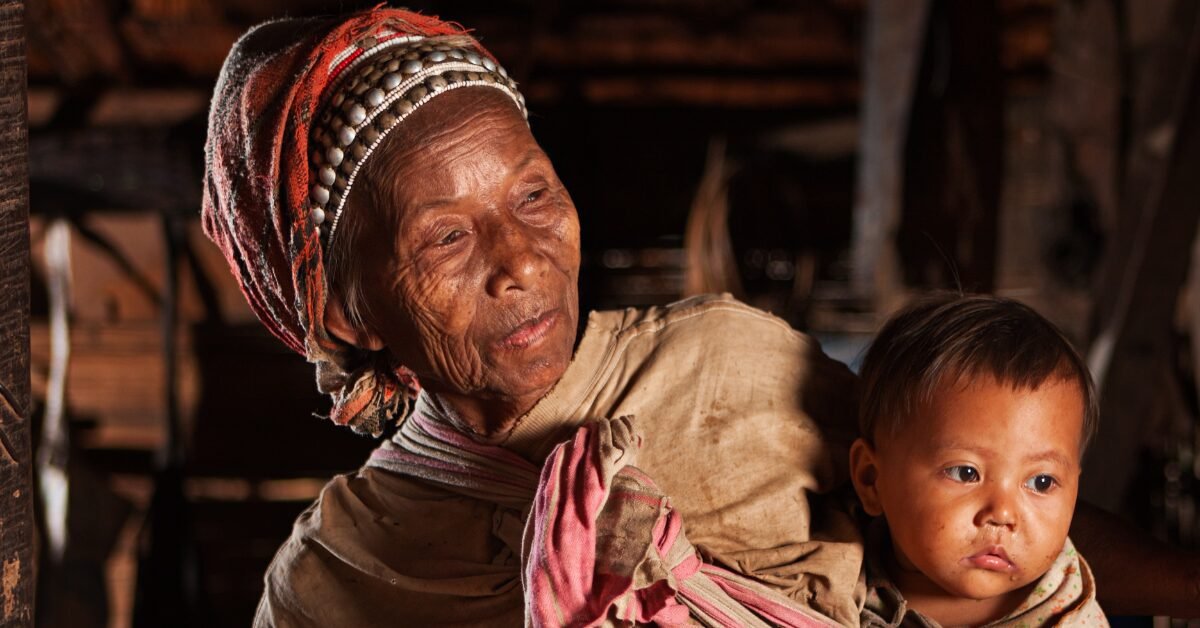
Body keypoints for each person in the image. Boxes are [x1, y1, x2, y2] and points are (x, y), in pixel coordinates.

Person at [201, 7, 1200, 627]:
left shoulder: (733, 369)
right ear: (345, 306)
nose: (523, 262)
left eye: (535, 196)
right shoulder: (339, 583)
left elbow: (991, 514)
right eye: (446, 241)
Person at [850, 295, 1106, 626]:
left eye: (1041, 482)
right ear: (871, 479)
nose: (1002, 514)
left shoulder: (1070, 620)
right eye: (965, 472)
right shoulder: (822, 566)